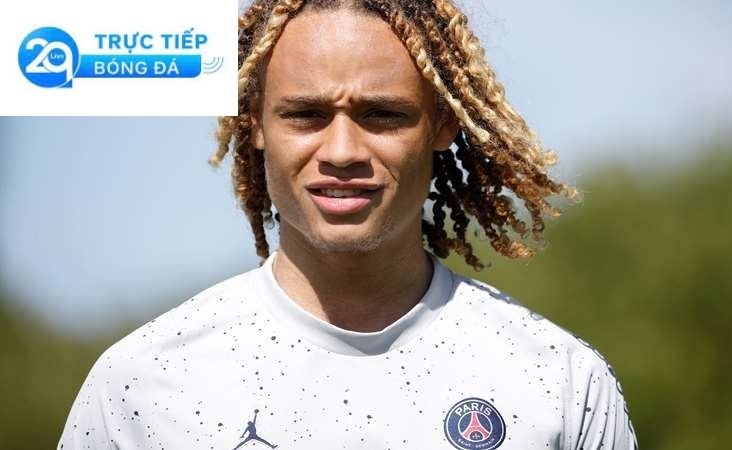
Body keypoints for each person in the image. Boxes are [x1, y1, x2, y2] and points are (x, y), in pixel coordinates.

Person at [59, 1, 638, 449]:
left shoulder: (557, 380)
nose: (341, 151)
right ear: (253, 122)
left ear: (443, 125)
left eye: (382, 115)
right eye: (305, 114)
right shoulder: (141, 383)